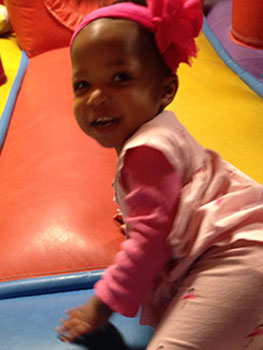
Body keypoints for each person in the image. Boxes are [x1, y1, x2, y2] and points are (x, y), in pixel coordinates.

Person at [56, 0, 263, 348]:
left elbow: (149, 243)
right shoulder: (158, 132)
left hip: (237, 258)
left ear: (166, 89)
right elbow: (172, 200)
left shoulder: (146, 151)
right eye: (82, 84)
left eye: (120, 78)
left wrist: (100, 306)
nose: (96, 97)